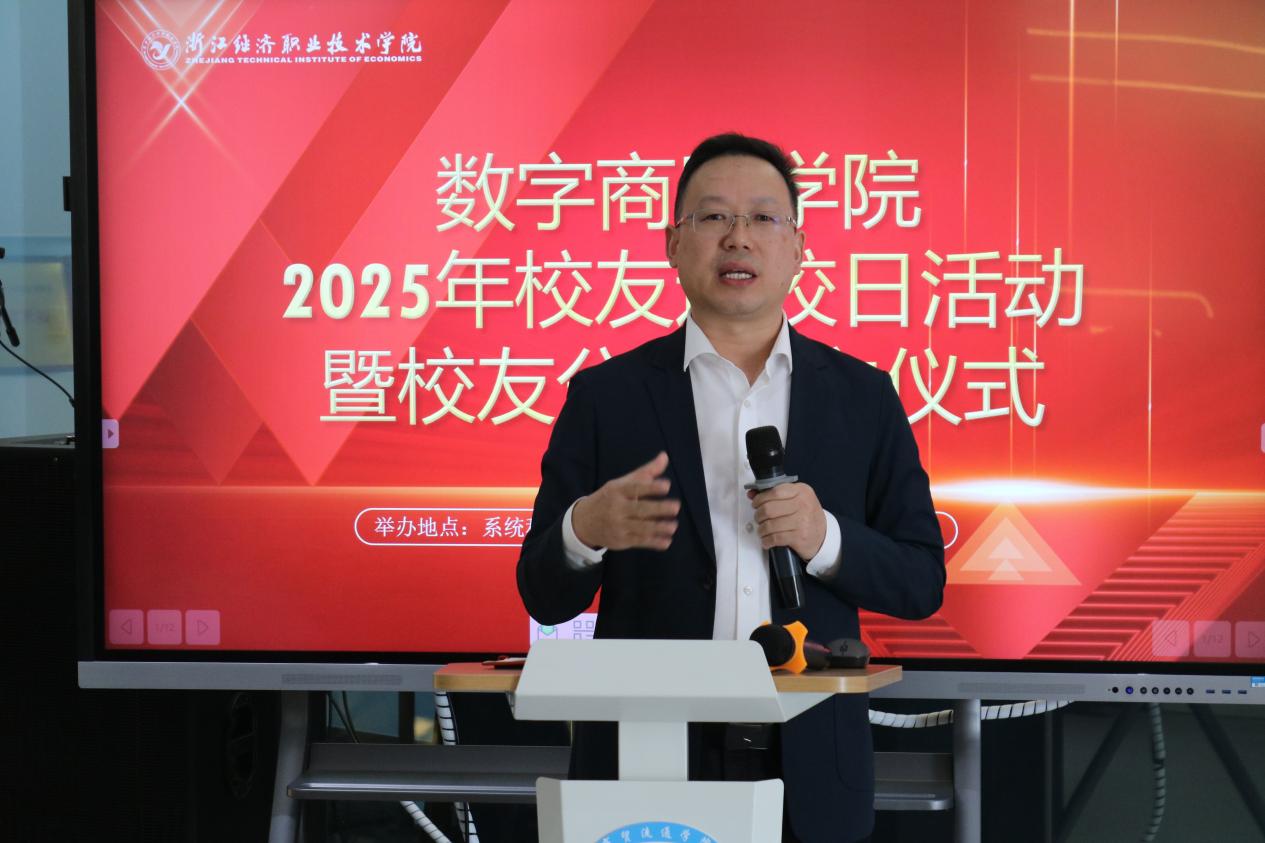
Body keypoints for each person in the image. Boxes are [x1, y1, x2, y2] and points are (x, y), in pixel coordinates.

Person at [517, 132, 945, 843]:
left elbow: (921, 581)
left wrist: (824, 539)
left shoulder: (862, 397)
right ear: (672, 244)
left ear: (798, 247)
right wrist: (583, 529)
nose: (737, 237)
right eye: (713, 216)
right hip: (644, 763)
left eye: (762, 218)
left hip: (810, 766)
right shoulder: (606, 397)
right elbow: (542, 591)